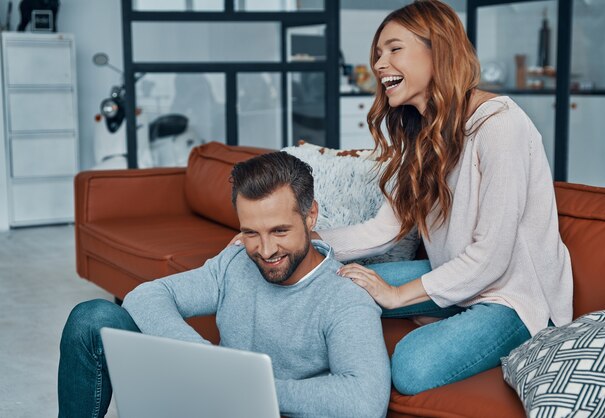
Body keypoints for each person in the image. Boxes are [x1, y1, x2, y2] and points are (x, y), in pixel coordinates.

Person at [315, 0, 573, 395]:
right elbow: (383, 231)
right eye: (378, 54)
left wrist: (398, 295)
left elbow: (492, 256)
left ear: (438, 49)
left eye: (394, 49)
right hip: (458, 280)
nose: (381, 63)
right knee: (333, 287)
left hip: (514, 297)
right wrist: (303, 242)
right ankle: (451, 306)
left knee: (412, 366)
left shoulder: (500, 125)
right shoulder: (421, 132)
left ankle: (454, 310)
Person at [57, 152, 391, 418]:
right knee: (91, 318)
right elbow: (147, 295)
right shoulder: (235, 262)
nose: (266, 250)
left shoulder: (344, 296)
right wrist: (201, 359)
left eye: (279, 231)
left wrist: (248, 386)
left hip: (266, 409)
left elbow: (363, 401)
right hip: (205, 400)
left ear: (311, 216)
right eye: (250, 233)